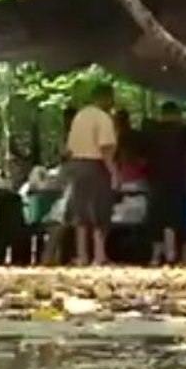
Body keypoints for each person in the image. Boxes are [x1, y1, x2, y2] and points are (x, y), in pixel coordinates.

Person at [65, 84, 119, 265]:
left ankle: (82, 255)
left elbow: (69, 148)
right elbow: (105, 148)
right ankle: (99, 255)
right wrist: (114, 172)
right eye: (111, 98)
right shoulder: (103, 118)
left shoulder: (79, 116)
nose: (113, 102)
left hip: (77, 165)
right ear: (105, 98)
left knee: (81, 213)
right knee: (100, 211)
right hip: (96, 166)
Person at [145, 101, 186, 264]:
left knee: (157, 218)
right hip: (177, 180)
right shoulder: (184, 133)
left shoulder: (151, 133)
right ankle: (172, 253)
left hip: (156, 181)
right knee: (175, 218)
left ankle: (156, 256)